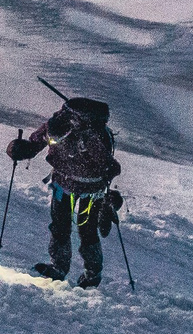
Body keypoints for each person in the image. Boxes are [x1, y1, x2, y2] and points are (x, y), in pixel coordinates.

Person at [9, 97, 121, 288]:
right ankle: (78, 271)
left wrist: (22, 149)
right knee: (71, 227)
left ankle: (76, 271)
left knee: (78, 229)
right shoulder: (64, 127)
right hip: (82, 188)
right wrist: (21, 149)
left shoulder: (78, 132)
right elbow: (111, 167)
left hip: (77, 188)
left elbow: (108, 166)